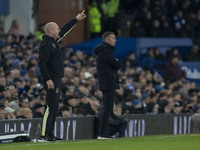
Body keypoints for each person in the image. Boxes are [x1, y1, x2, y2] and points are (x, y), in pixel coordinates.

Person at [38, 10, 86, 142]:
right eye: (57, 28)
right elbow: (41, 63)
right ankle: (44, 135)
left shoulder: (53, 42)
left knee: (54, 107)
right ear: (51, 31)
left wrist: (76, 19)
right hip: (51, 79)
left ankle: (50, 134)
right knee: (50, 107)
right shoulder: (46, 44)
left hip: (56, 79)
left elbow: (65, 30)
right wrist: (48, 79)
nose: (59, 30)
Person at [94, 31, 121, 139]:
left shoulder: (104, 51)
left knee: (108, 107)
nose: (115, 40)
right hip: (108, 82)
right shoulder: (106, 52)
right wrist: (117, 61)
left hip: (107, 81)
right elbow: (117, 64)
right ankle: (102, 132)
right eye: (113, 38)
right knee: (108, 107)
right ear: (107, 40)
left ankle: (104, 132)